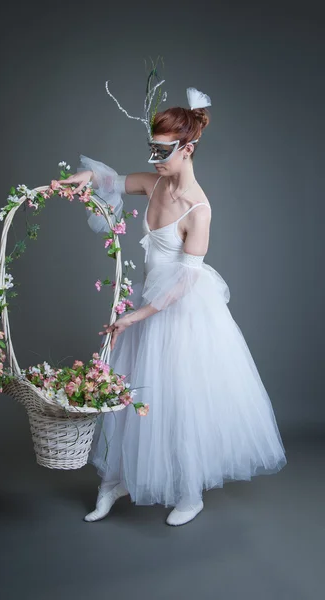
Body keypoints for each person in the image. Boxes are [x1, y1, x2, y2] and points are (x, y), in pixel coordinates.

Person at [60, 80, 287, 526]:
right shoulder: (155, 184)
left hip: (181, 313)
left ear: (189, 148)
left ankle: (188, 493)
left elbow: (186, 279)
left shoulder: (198, 208)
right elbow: (117, 181)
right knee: (129, 397)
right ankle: (115, 481)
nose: (154, 160)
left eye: (163, 151)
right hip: (149, 306)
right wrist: (90, 177)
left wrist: (138, 314)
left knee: (178, 401)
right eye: (152, 149)